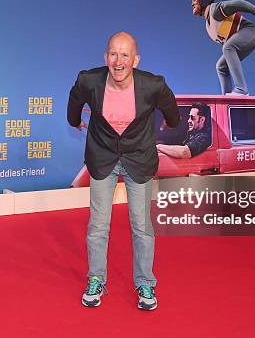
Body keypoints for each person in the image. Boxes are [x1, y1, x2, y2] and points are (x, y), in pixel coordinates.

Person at [67, 31, 180, 311]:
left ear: (136, 60)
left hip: (139, 159)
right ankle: (96, 278)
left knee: (141, 226)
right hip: (102, 156)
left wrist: (168, 123)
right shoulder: (89, 80)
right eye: (113, 54)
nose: (119, 61)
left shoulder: (153, 85)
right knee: (98, 225)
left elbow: (173, 114)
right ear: (106, 57)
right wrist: (74, 121)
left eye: (125, 55)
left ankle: (144, 283)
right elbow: (74, 101)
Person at [188, 0, 255, 96]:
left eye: (194, 0)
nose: (192, 4)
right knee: (221, 66)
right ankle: (227, 97)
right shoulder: (208, 27)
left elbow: (238, 3)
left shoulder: (215, 10)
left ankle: (241, 89)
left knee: (227, 47)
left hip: (249, 31)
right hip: (243, 40)